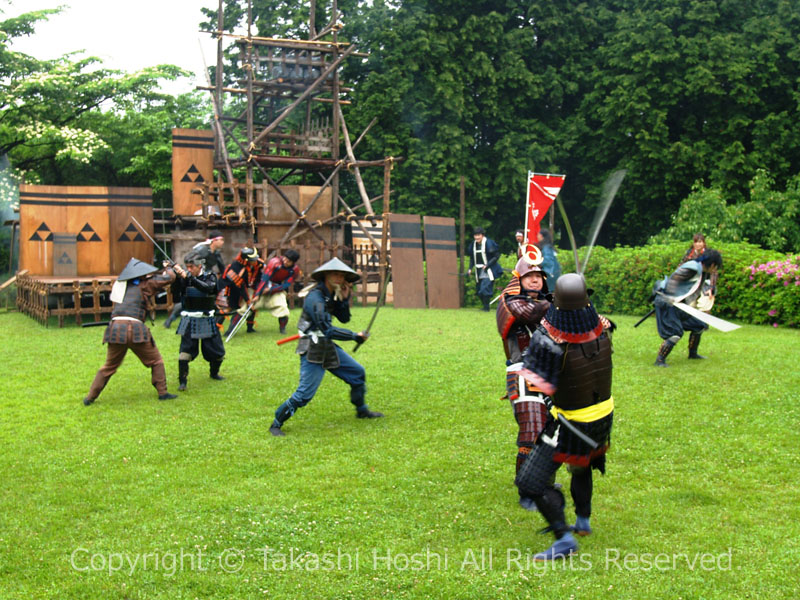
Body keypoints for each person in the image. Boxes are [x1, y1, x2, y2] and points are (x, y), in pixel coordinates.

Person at [515, 273, 616, 560]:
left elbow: (537, 384)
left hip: (573, 422)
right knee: (581, 465)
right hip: (603, 416)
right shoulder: (602, 328)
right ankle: (583, 522)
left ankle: (564, 538)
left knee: (530, 483)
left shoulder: (548, 341)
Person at [269, 257, 383, 437]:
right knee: (304, 394)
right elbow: (327, 329)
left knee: (357, 373)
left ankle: (361, 410)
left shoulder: (331, 295)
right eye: (334, 274)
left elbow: (344, 318)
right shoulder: (315, 297)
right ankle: (276, 424)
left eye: (342, 275)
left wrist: (344, 299)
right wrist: (354, 336)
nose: (338, 277)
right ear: (325, 275)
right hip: (312, 348)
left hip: (326, 346)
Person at [496, 244, 552, 511]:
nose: (535, 279)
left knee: (553, 432)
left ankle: (544, 480)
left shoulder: (549, 302)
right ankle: (526, 488)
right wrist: (557, 301)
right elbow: (530, 313)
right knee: (531, 432)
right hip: (521, 373)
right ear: (518, 279)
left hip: (551, 375)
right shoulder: (509, 302)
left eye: (539, 276)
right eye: (530, 276)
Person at [84, 258, 178, 405]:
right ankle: (163, 393)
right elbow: (169, 277)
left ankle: (90, 397)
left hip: (116, 328)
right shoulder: (145, 285)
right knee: (156, 361)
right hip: (135, 329)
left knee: (108, 367)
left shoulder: (120, 286)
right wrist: (170, 267)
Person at [653, 249, 723, 366]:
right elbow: (673, 281)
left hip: (680, 305)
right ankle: (660, 360)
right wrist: (670, 297)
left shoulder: (703, 271)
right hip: (667, 303)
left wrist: (711, 291)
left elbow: (702, 287)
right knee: (675, 333)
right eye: (715, 266)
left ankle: (693, 354)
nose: (715, 269)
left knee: (699, 325)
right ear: (712, 264)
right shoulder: (692, 268)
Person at [173, 250, 226, 390]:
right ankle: (182, 381)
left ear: (200, 265)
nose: (189, 269)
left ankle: (214, 373)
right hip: (189, 318)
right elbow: (175, 295)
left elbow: (208, 289)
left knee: (216, 351)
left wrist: (189, 278)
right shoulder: (185, 277)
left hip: (206, 318)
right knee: (185, 351)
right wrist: (178, 277)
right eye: (187, 267)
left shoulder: (210, 276)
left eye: (192, 267)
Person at [164, 230, 226, 328]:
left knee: (210, 299)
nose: (222, 242)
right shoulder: (201, 250)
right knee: (191, 299)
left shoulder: (216, 253)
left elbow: (222, 267)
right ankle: (170, 319)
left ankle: (214, 322)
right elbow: (191, 262)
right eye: (221, 240)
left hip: (207, 278)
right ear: (214, 241)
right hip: (195, 277)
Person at [249, 249, 301, 334]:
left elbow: (286, 284)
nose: (285, 261)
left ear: (293, 262)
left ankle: (282, 329)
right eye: (285, 258)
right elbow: (265, 279)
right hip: (261, 285)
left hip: (276, 287)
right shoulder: (274, 262)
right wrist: (258, 294)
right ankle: (249, 328)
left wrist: (271, 290)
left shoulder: (294, 270)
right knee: (249, 306)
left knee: (283, 308)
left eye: (288, 261)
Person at [217, 247, 263, 335]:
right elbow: (241, 286)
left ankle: (250, 328)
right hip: (229, 288)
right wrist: (248, 301)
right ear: (246, 260)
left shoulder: (256, 264)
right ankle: (216, 329)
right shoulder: (237, 268)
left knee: (252, 307)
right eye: (252, 260)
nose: (255, 261)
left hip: (244, 287)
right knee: (227, 309)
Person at [467, 226, 503, 311]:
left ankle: (486, 308)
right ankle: (485, 306)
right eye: (475, 235)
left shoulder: (489, 243)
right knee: (479, 290)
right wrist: (470, 268)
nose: (477, 237)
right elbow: (472, 258)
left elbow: (496, 256)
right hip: (479, 270)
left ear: (482, 235)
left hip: (489, 270)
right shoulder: (473, 245)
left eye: (478, 235)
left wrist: (487, 265)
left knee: (485, 288)